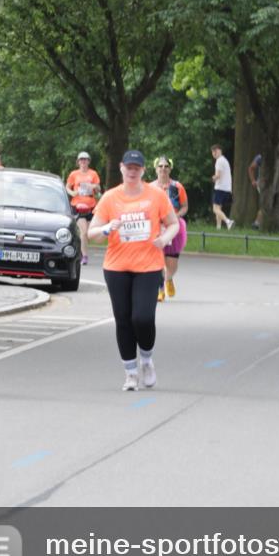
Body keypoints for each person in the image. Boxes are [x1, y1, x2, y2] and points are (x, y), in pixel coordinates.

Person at [88, 150, 179, 391]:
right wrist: (107, 227)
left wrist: (165, 239)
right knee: (123, 320)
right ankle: (130, 373)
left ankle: (146, 360)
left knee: (143, 318)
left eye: (136, 168)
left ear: (142, 171)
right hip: (116, 267)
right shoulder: (110, 198)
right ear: (121, 168)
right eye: (128, 167)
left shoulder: (156, 196)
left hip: (149, 266)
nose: (132, 171)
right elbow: (91, 233)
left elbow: (174, 223)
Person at [150, 156, 188, 301]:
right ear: (156, 169)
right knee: (157, 260)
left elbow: (185, 206)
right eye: (160, 166)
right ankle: (160, 289)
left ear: (170, 169)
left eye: (166, 166)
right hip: (156, 228)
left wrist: (177, 215)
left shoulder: (177, 187)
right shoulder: (150, 187)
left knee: (171, 264)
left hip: (173, 228)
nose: (163, 169)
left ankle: (169, 278)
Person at [65, 151, 102, 265]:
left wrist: (94, 186)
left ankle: (79, 247)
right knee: (84, 232)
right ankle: (84, 256)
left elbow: (99, 189)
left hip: (91, 205)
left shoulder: (93, 173)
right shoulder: (74, 174)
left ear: (88, 161)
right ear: (78, 162)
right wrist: (72, 193)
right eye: (81, 159)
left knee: (90, 233)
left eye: (85, 159)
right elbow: (67, 187)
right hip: (78, 205)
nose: (83, 161)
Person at [211, 144, 234, 230]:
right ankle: (218, 227)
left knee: (215, 209)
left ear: (220, 151)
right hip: (227, 189)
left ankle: (228, 221)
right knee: (219, 209)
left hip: (220, 188)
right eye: (213, 152)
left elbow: (218, 175)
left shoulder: (219, 161)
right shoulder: (225, 160)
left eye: (215, 151)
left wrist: (213, 178)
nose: (214, 153)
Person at [248, 152, 262, 229]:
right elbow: (251, 168)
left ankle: (258, 223)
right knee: (266, 204)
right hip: (263, 184)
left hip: (274, 185)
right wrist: (253, 181)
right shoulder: (260, 157)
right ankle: (257, 223)